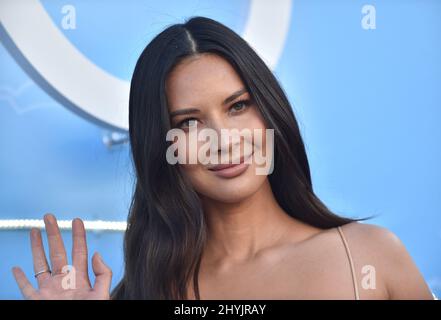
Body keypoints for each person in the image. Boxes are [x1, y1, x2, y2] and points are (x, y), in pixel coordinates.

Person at [12, 17, 434, 300]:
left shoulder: (370, 257)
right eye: (190, 123)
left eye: (237, 106)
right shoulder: (147, 289)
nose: (223, 139)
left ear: (270, 111)